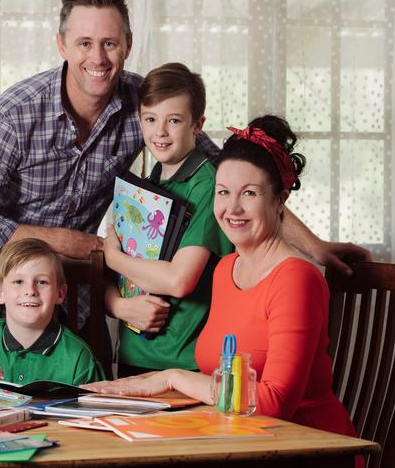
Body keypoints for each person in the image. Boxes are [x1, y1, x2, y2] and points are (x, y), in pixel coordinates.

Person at [0, 0, 370, 332]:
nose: (98, 57)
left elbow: (231, 176)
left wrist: (313, 246)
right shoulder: (16, 113)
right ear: (62, 45)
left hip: (84, 292)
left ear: (128, 44)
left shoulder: (146, 106)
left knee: (87, 419)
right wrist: (63, 239)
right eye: (85, 42)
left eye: (109, 43)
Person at [84, 115, 358, 446]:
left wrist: (173, 376)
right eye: (223, 192)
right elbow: (223, 375)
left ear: (279, 201)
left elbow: (273, 404)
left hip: (304, 446)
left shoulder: (297, 279)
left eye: (250, 193)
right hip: (238, 440)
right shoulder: (226, 269)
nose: (232, 208)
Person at [104, 63, 233, 377]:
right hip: (135, 352)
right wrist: (117, 305)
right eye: (150, 119)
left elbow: (179, 280)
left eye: (173, 120)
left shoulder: (207, 186)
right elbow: (118, 278)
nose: (159, 132)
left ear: (196, 125)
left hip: (183, 361)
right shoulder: (149, 183)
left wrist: (112, 257)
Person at [0, 238, 105, 385]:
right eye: (18, 281)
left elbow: (97, 414)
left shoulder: (78, 356)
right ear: (0, 293)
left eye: (41, 282)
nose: (30, 290)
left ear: (59, 294)